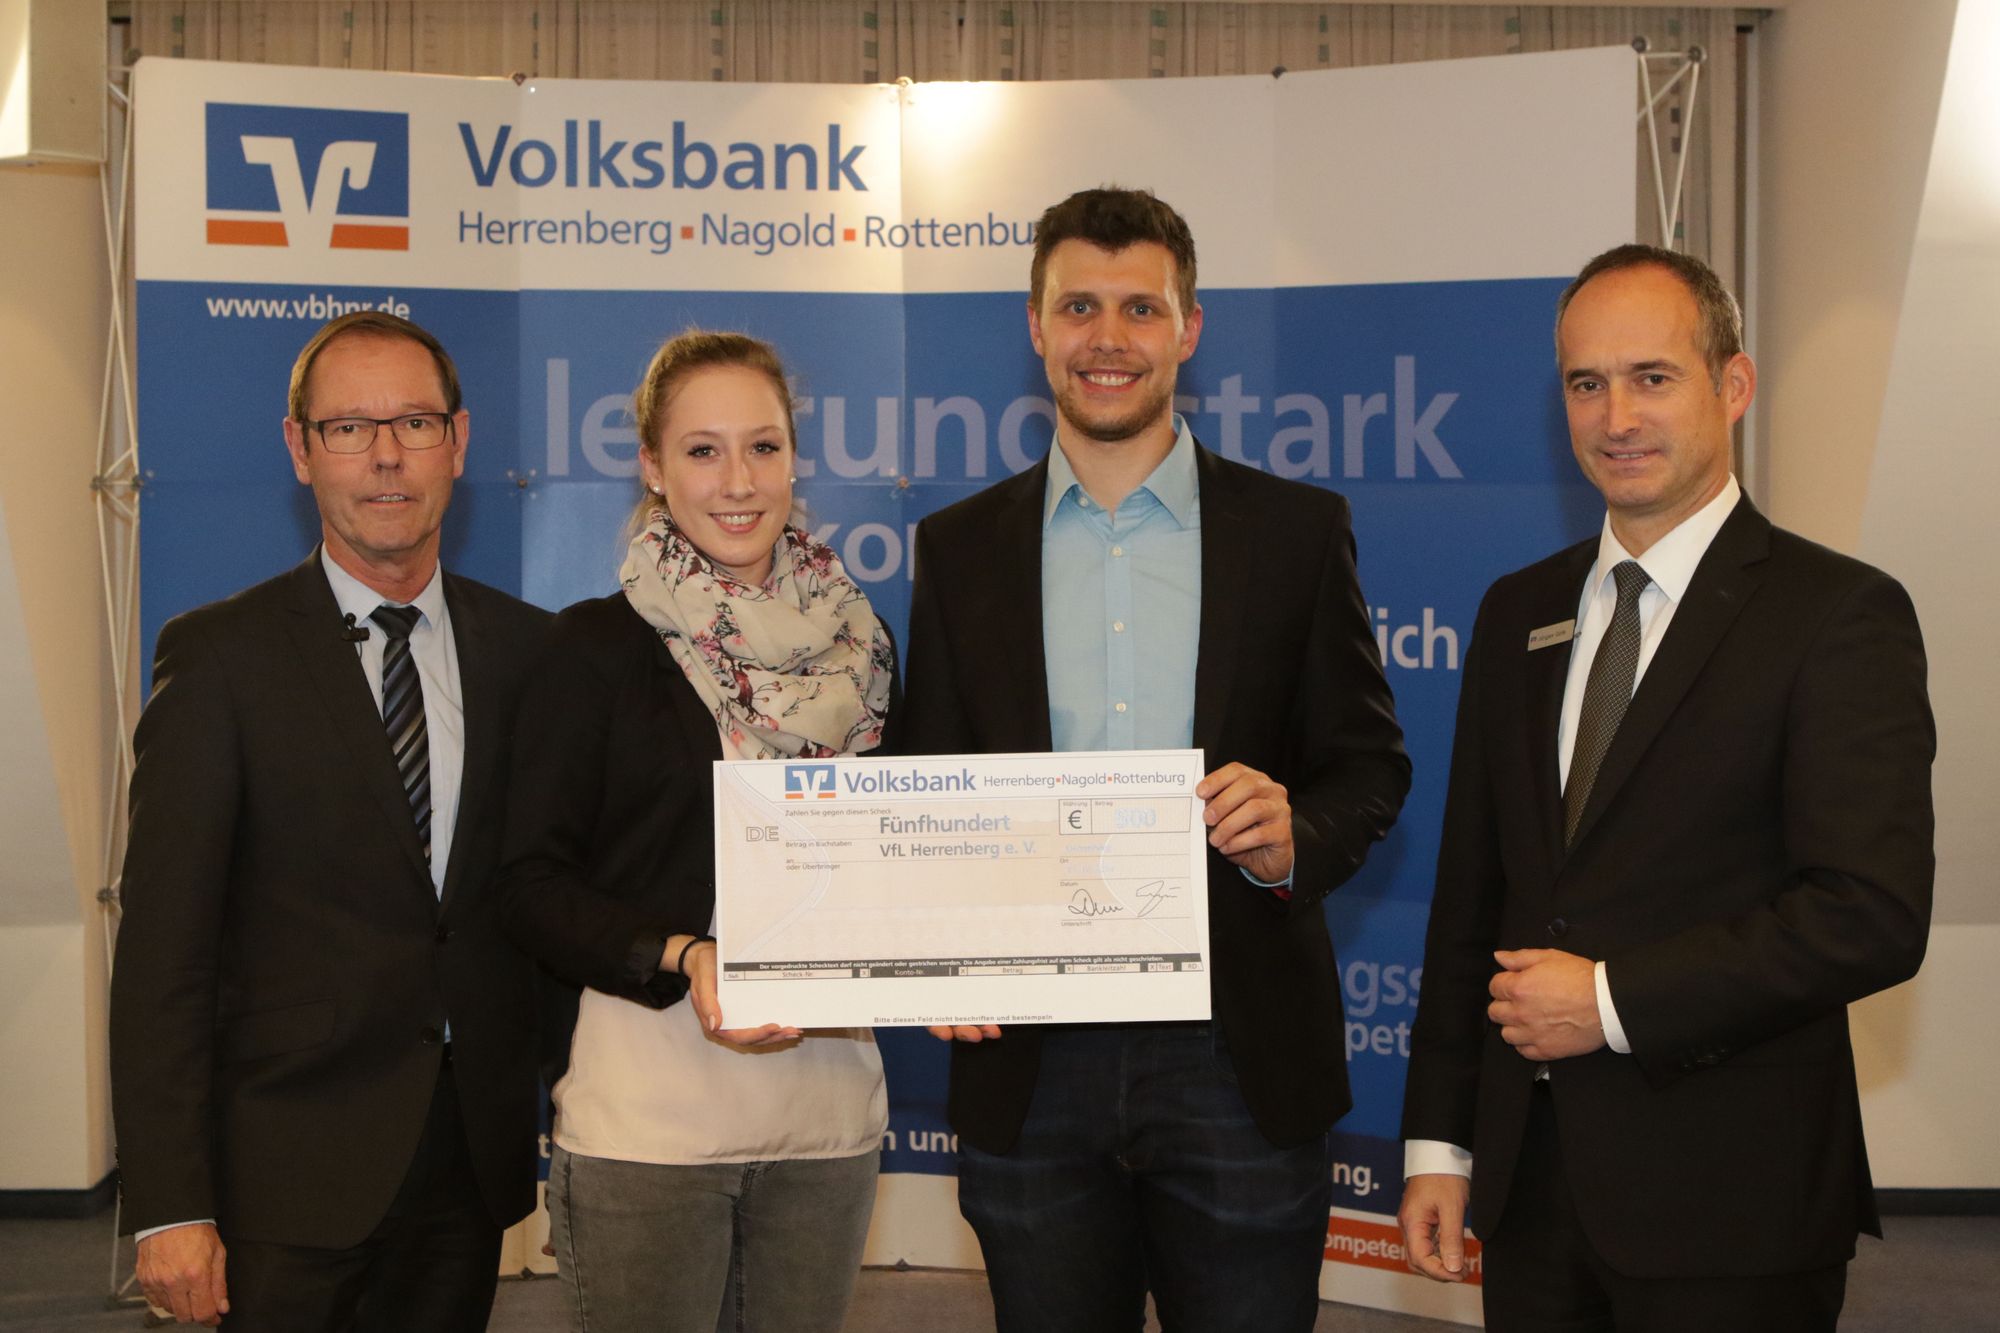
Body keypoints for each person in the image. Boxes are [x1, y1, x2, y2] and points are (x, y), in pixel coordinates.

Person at [898, 187, 1411, 1331]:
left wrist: (1292, 837)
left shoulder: (1295, 532)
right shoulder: (959, 548)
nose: (1108, 337)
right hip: (1030, 1062)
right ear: (1035, 326)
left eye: (1140, 307)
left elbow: (1368, 766)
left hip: (1236, 1054)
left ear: (1189, 328)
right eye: (1078, 305)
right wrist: (935, 951)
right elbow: (927, 781)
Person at [1397, 244, 1934, 1330]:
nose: (1616, 417)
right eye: (1585, 383)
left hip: (1733, 1204)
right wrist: (1439, 1144)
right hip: (1531, 1195)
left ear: (1732, 385)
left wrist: (1608, 1001)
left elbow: (1867, 914)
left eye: (1652, 377)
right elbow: (1472, 900)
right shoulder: (1517, 612)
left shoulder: (1836, 614)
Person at [109, 311, 552, 1329]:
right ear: (300, 449)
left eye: (415, 423)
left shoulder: (528, 653)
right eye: (349, 427)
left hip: (465, 1171)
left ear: (459, 442)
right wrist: (170, 1202)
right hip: (279, 1187)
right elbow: (164, 954)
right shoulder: (219, 659)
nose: (386, 455)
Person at [497, 330, 895, 1333]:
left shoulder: (861, 644)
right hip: (648, 1125)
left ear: (794, 458)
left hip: (827, 1119)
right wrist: (681, 951)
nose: (738, 481)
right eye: (702, 450)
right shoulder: (593, 647)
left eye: (762, 446)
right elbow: (529, 883)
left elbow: (905, 848)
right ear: (652, 466)